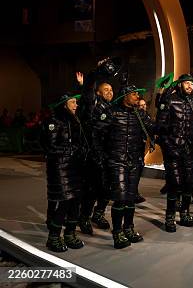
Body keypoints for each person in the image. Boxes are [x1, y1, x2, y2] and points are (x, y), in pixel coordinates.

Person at [96, 85, 155, 249]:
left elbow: (155, 128)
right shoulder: (110, 112)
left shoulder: (140, 114)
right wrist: (103, 158)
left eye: (138, 94)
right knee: (120, 199)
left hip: (134, 162)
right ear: (125, 96)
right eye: (134, 94)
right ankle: (117, 233)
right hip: (116, 162)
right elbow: (97, 136)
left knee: (130, 198)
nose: (137, 96)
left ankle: (128, 228)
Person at [156, 74, 193, 232]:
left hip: (189, 150)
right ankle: (170, 217)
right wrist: (169, 146)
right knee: (174, 184)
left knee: (189, 183)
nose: (190, 86)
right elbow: (160, 127)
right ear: (180, 85)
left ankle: (185, 214)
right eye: (187, 83)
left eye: (191, 83)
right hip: (173, 150)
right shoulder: (169, 100)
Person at [41, 94, 86, 252]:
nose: (76, 105)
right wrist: (73, 150)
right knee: (65, 202)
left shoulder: (73, 120)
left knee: (76, 201)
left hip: (74, 166)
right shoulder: (53, 121)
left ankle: (70, 234)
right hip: (59, 168)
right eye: (72, 102)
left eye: (76, 102)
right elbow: (51, 147)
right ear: (63, 105)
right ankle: (53, 238)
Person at [76, 62, 115, 234]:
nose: (110, 92)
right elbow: (88, 88)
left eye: (112, 90)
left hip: (108, 155)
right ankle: (83, 218)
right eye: (106, 89)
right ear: (97, 92)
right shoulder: (93, 103)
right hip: (92, 154)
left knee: (107, 188)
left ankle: (98, 214)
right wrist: (96, 72)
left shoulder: (112, 108)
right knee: (91, 190)